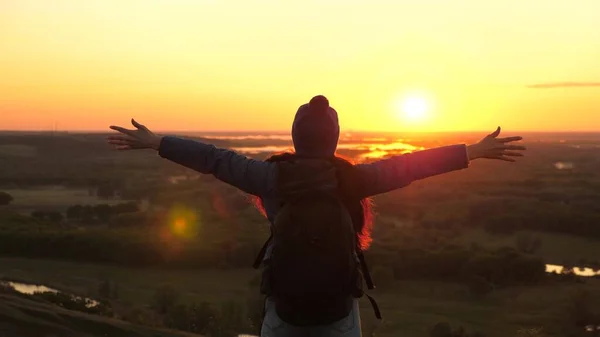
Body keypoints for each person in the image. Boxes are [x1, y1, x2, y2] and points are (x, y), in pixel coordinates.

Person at [107, 95, 526, 337]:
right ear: (333, 140)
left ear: (295, 137)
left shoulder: (269, 178)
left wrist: (158, 142)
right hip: (338, 311)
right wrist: (470, 151)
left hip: (284, 310)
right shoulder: (353, 181)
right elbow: (410, 165)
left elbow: (214, 159)